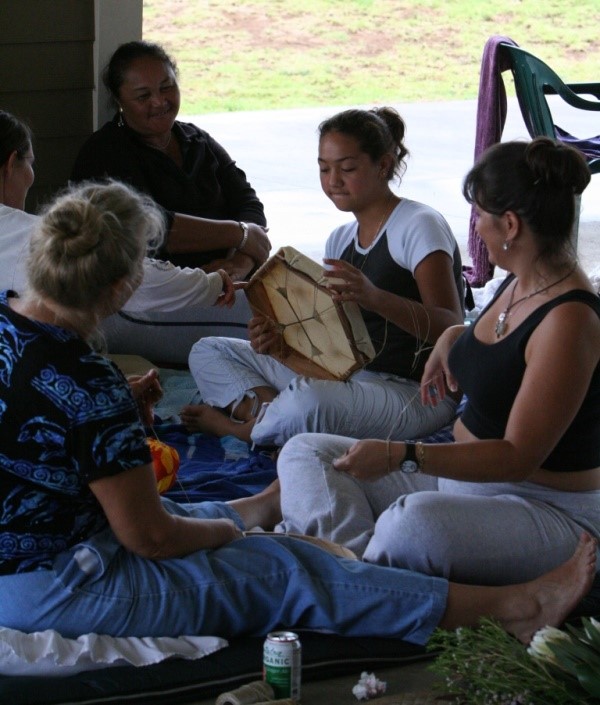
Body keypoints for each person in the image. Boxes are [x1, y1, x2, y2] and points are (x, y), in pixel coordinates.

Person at [274, 137, 600, 588]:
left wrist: (403, 455)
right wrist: (454, 335)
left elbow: (516, 458)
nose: (476, 227)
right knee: (305, 453)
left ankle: (350, 573)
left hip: (543, 508)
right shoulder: (521, 282)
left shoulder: (570, 319)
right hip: (463, 486)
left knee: (412, 524)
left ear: (509, 225)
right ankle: (360, 575)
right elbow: (511, 346)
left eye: (479, 215)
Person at [182, 107, 465, 447]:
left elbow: (453, 326)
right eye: (324, 168)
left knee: (308, 399)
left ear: (384, 165)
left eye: (347, 168)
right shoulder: (341, 238)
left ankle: (240, 428)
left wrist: (375, 297)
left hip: (413, 392)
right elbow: (333, 346)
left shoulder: (418, 224)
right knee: (209, 351)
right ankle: (269, 413)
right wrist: (279, 345)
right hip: (348, 379)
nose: (333, 181)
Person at [0, 109, 251, 367]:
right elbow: (140, 280)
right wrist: (213, 285)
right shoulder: (24, 234)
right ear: (10, 164)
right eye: (30, 163)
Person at [71, 40, 271, 279]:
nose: (159, 101)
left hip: (229, 282)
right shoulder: (104, 152)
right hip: (156, 293)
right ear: (119, 100)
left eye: (166, 87)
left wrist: (242, 260)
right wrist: (240, 235)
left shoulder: (199, 140)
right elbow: (148, 227)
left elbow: (247, 202)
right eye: (143, 96)